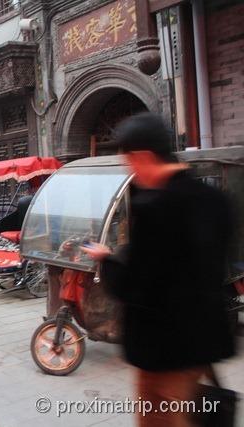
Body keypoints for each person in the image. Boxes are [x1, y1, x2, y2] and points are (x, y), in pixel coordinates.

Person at [81, 112, 236, 427]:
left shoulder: (157, 208)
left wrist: (106, 259)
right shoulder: (214, 200)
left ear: (142, 156)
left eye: (129, 163)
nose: (131, 172)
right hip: (202, 339)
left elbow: (137, 285)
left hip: (163, 348)